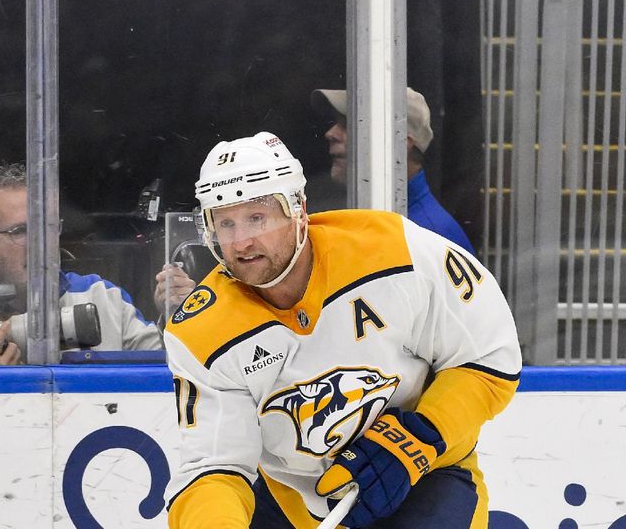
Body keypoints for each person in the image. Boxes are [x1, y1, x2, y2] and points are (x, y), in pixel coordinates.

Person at [163, 132, 521, 528]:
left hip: (427, 473)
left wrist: (420, 438)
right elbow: (213, 468)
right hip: (299, 503)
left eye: (256, 217)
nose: (241, 241)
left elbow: (489, 357)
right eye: (225, 223)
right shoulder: (203, 331)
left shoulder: (393, 252)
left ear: (298, 209)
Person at [0, 163, 162, 365]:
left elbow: (169, 385)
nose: (41, 243)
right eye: (20, 231)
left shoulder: (105, 299)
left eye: (48, 227)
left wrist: (179, 316)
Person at [311, 87, 476, 254]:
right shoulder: (388, 220)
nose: (330, 134)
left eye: (349, 124)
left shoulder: (429, 237)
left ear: (400, 144)